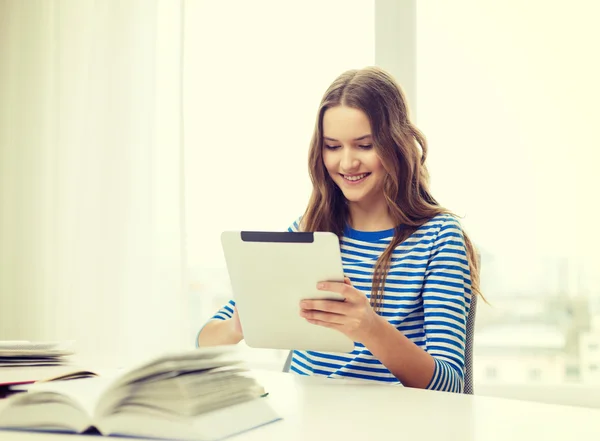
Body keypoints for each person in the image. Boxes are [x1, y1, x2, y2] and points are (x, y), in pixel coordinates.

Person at [197, 66, 482, 393]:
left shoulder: (439, 238)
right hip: (307, 422)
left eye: (364, 145)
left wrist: (370, 328)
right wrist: (237, 326)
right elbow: (205, 339)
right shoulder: (307, 232)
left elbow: (450, 385)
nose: (347, 164)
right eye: (333, 146)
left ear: (396, 144)